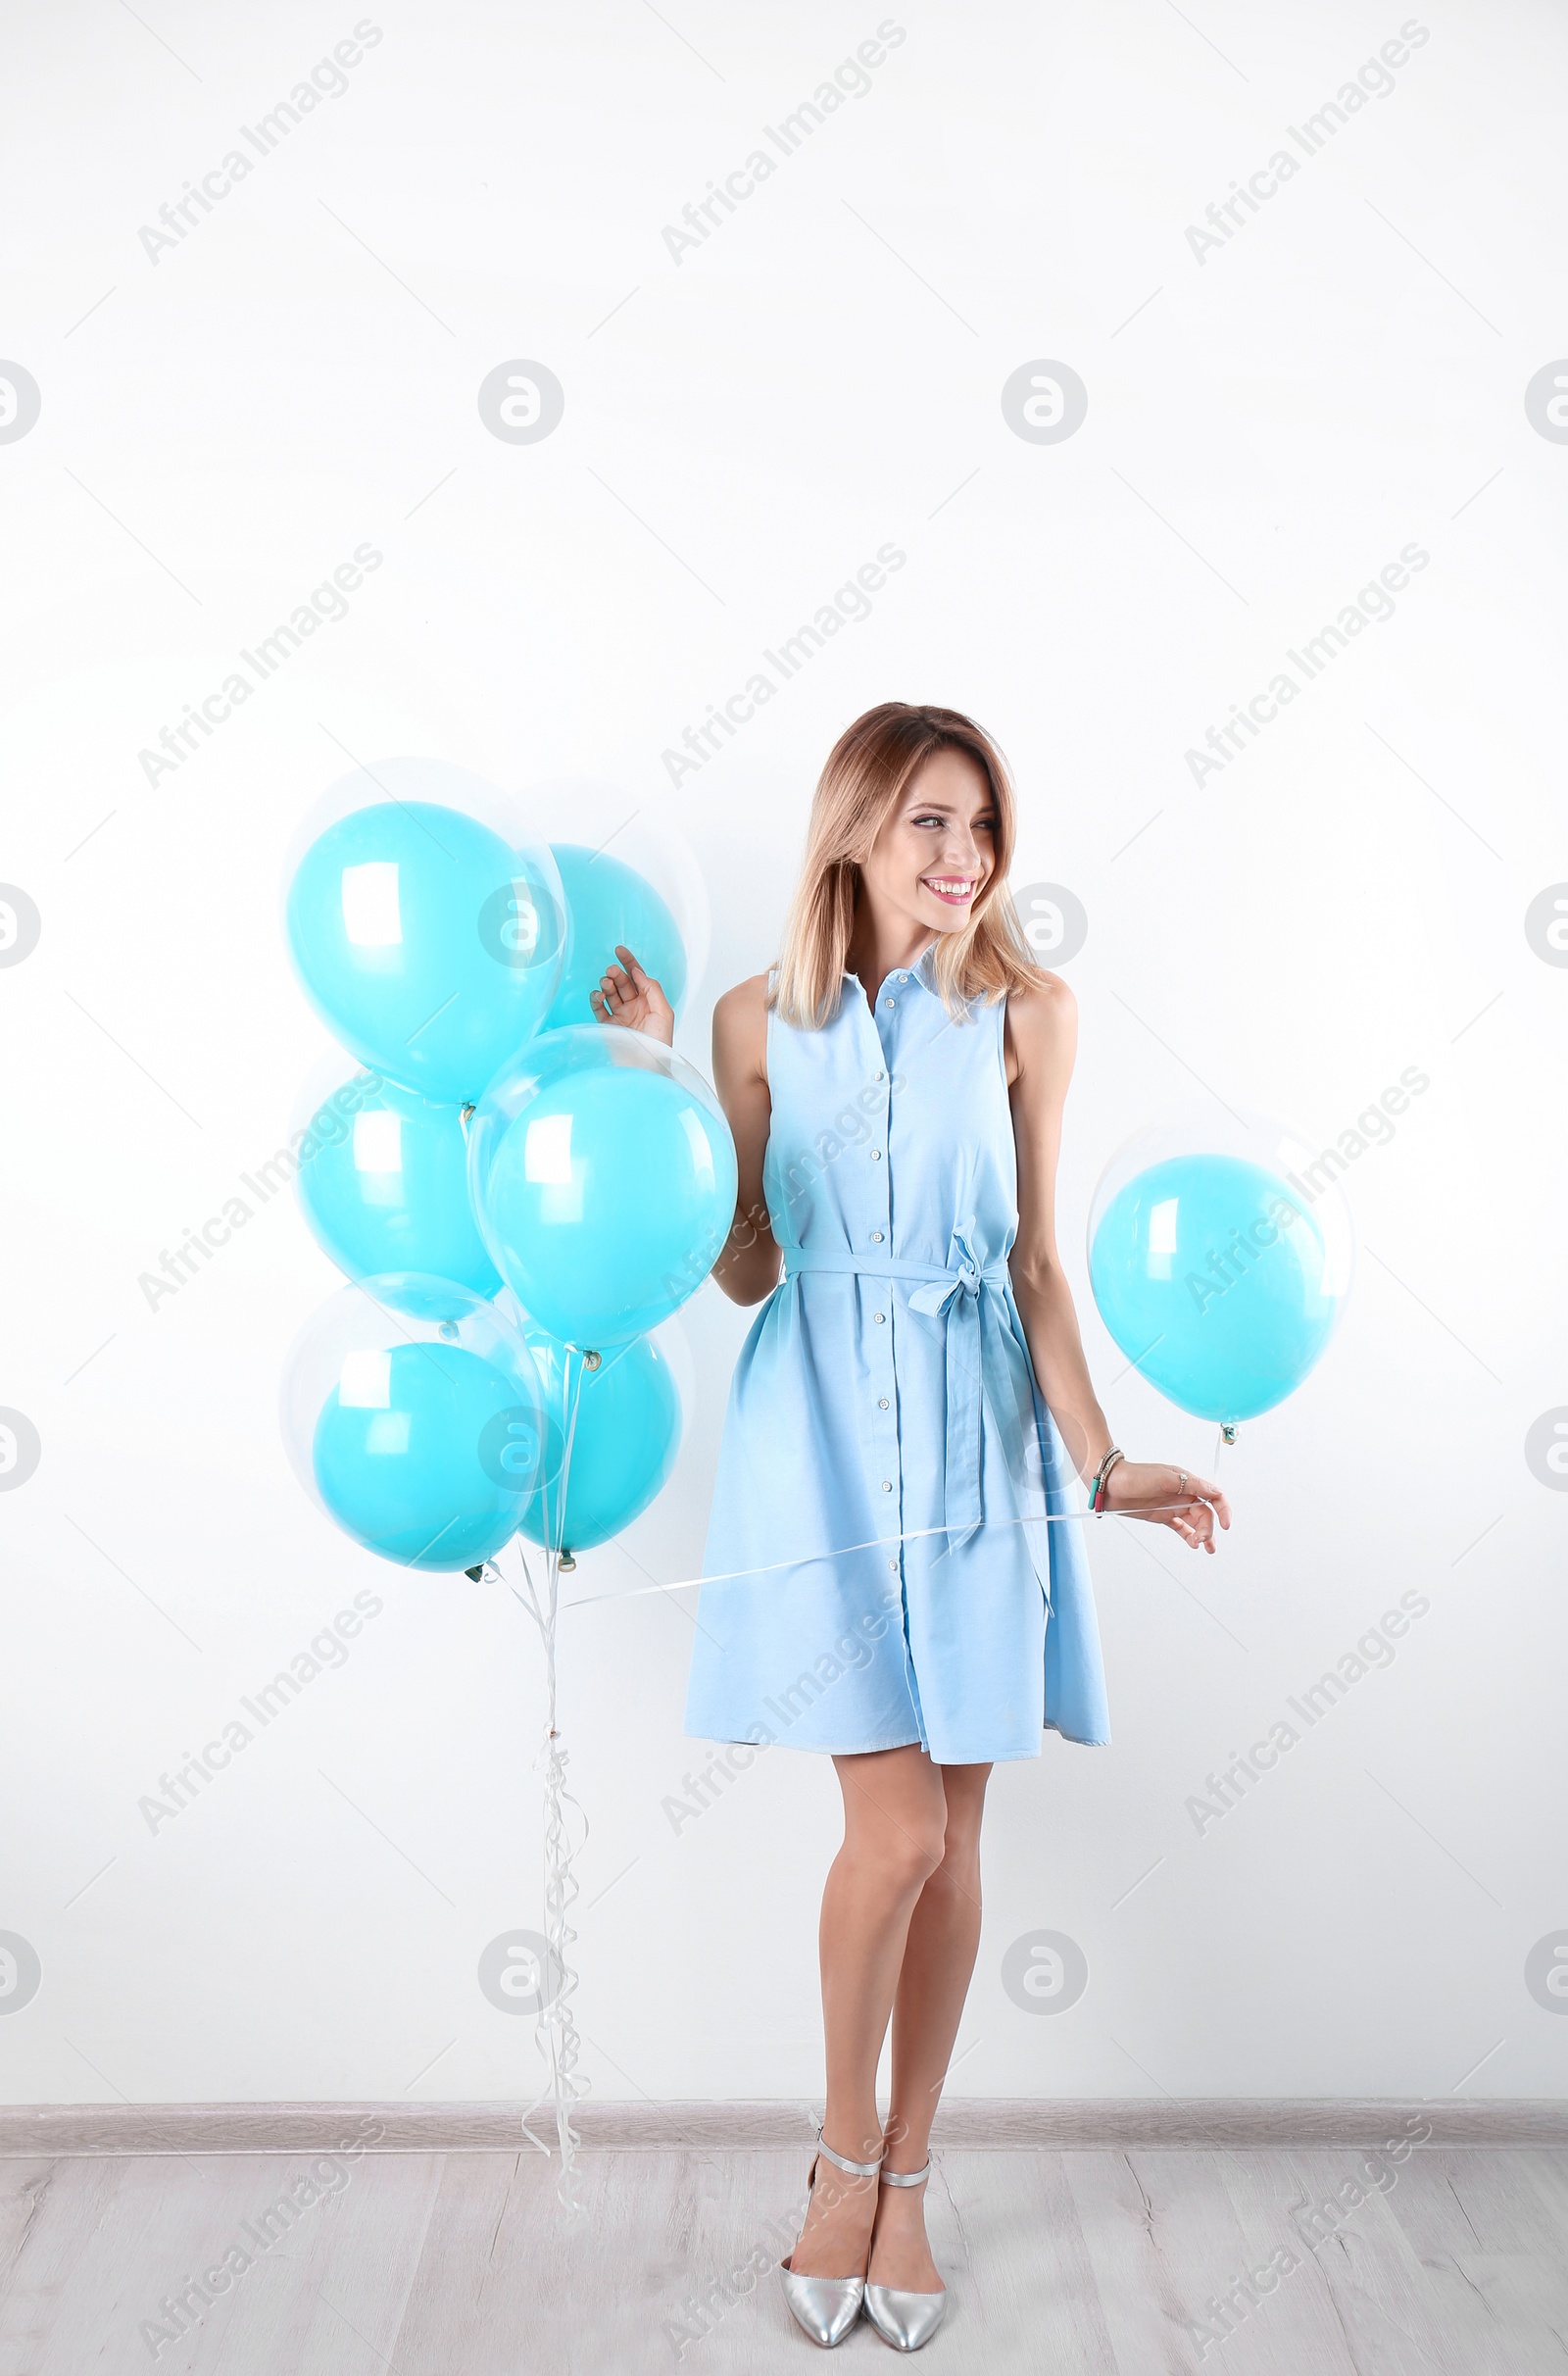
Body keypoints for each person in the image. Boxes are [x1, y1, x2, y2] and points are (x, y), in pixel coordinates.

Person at [590, 702, 1229, 2351]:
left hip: (978, 1439)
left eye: (984, 827)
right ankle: (838, 2160)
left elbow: (1034, 1265)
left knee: (955, 1843)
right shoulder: (750, 1021)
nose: (965, 860)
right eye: (931, 823)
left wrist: (1101, 1464)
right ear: (858, 826)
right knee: (897, 1837)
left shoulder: (1027, 1012)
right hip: (813, 1447)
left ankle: (910, 2182)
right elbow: (745, 1269)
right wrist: (664, 1081)